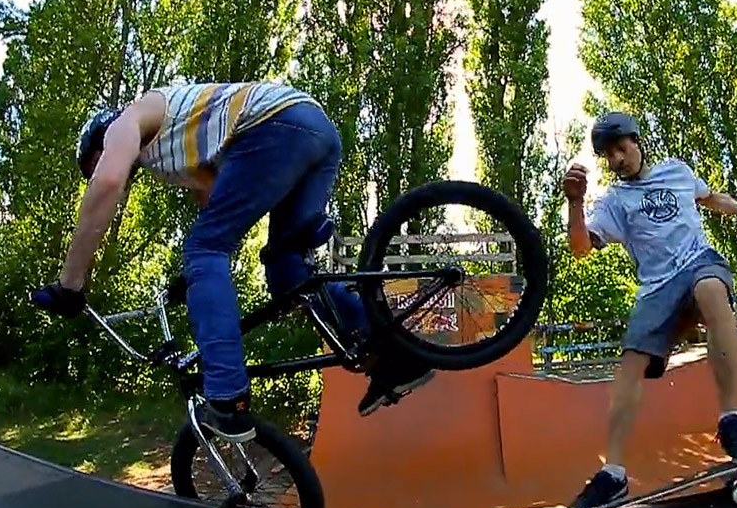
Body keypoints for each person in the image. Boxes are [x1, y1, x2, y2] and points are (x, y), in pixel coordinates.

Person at [31, 82, 435, 442]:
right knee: (286, 274)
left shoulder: (127, 120)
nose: (101, 170)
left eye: (94, 162)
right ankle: (396, 357)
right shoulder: (180, 146)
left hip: (274, 125)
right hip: (314, 132)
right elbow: (215, 204)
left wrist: (70, 284)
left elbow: (107, 186)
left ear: (101, 139)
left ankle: (226, 394)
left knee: (203, 250)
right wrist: (193, 280)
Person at [561, 112, 737, 508]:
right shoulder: (614, 202)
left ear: (637, 141)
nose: (617, 160)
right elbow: (580, 247)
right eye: (609, 156)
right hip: (657, 289)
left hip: (698, 263)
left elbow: (712, 199)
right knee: (629, 367)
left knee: (712, 290)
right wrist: (575, 204)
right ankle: (614, 475)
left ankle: (732, 422)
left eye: (621, 149)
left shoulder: (677, 171)